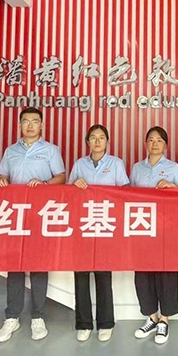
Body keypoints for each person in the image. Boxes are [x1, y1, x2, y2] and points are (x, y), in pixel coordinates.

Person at [0, 107, 66, 343]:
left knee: (37, 265)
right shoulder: (10, 151)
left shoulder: (50, 150)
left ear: (41, 125)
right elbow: (2, 175)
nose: (30, 125)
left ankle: (38, 316)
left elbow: (61, 177)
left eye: (35, 121)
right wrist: (2, 181)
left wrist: (44, 184)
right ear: (20, 125)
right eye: (26, 121)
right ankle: (12, 316)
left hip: (40, 214)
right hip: (15, 214)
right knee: (14, 265)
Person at [69, 124, 129, 343]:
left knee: (103, 276)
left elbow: (124, 192)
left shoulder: (116, 164)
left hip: (105, 226)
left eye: (101, 137)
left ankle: (105, 323)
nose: (97, 141)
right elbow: (68, 194)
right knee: (81, 275)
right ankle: (84, 323)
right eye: (93, 138)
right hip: (83, 226)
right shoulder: (79, 164)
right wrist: (74, 185)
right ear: (87, 142)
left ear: (107, 142)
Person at [129, 126, 178, 345]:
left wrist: (172, 186)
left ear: (165, 145)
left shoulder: (173, 167)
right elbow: (128, 195)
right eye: (151, 140)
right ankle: (151, 317)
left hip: (167, 228)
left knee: (166, 272)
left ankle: (164, 320)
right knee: (143, 272)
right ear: (146, 144)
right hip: (142, 227)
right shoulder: (137, 168)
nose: (155, 144)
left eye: (159, 140)